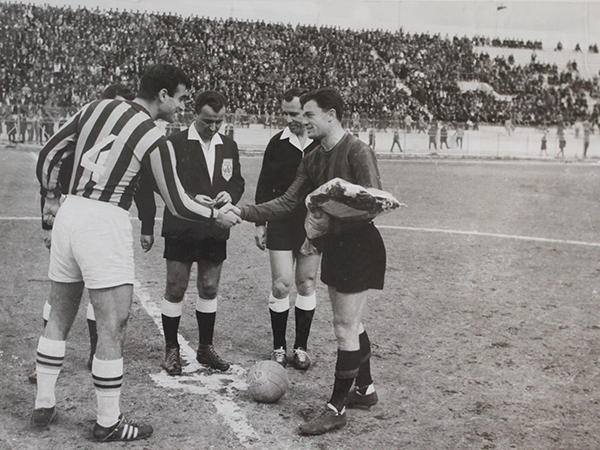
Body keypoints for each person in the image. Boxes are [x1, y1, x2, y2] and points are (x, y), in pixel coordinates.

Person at [33, 64, 240, 442]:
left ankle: (43, 402)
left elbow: (49, 154)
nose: (181, 107)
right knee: (113, 325)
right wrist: (215, 215)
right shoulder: (151, 134)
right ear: (162, 95)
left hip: (69, 212)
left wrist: (50, 196)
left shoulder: (95, 107)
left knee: (59, 316)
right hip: (104, 221)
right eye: (180, 98)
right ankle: (108, 422)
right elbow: (177, 202)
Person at [233, 88, 385, 436]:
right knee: (352, 322)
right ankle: (365, 390)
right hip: (335, 244)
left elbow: (374, 205)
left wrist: (328, 215)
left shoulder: (357, 151)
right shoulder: (313, 157)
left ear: (331, 115)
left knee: (344, 327)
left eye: (310, 114)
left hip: (359, 245)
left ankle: (336, 409)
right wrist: (243, 212)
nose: (303, 120)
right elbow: (287, 202)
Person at [30, 83, 137, 385]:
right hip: (74, 217)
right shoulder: (85, 135)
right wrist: (48, 224)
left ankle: (92, 354)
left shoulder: (121, 139)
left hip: (86, 220)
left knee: (95, 299)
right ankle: (47, 368)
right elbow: (51, 172)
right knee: (61, 299)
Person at [137, 90, 245, 375]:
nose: (213, 127)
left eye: (219, 121)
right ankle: (171, 350)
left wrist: (229, 194)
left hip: (215, 227)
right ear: (195, 113)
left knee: (209, 287)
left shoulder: (229, 145)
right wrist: (189, 197)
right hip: (182, 225)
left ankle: (205, 348)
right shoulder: (173, 143)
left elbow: (237, 181)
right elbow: (157, 182)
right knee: (176, 287)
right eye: (208, 121)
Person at [254, 88, 321, 369]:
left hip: (313, 225)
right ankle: (279, 347)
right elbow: (264, 184)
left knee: (306, 283)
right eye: (285, 113)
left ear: (307, 113)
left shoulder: (321, 143)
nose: (289, 119)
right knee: (281, 284)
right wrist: (260, 222)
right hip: (281, 222)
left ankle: (301, 348)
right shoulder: (277, 143)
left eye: (294, 114)